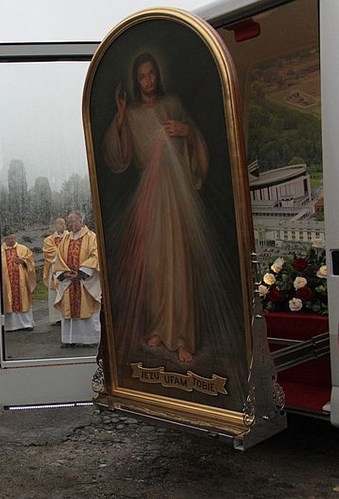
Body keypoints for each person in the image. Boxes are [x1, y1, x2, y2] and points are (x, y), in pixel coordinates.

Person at [102, 52, 210, 363]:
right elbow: (119, 159)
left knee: (179, 262)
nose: (148, 81)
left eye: (152, 74)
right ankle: (159, 328)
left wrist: (186, 131)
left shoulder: (172, 104)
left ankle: (182, 337)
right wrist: (121, 115)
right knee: (154, 264)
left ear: (158, 75)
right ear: (136, 82)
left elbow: (196, 143)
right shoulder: (133, 114)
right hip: (147, 196)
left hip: (176, 195)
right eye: (142, 77)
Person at [53, 212, 102, 347]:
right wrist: (65, 273)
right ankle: (70, 339)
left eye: (73, 221)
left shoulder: (91, 237)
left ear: (81, 221)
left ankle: (90, 339)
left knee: (87, 308)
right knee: (68, 309)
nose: (70, 224)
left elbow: (95, 256)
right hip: (69, 282)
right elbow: (59, 258)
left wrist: (81, 273)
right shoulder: (66, 238)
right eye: (69, 221)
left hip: (84, 281)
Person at [1, 231, 37, 332]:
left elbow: (30, 262)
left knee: (23, 299)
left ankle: (26, 323)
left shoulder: (23, 248)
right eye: (9, 239)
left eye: (13, 238)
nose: (12, 241)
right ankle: (11, 325)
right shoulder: (0, 250)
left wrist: (23, 261)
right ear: (5, 239)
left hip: (21, 280)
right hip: (7, 281)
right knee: (9, 300)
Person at [42, 217, 67, 324]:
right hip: (55, 270)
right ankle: (57, 317)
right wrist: (64, 254)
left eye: (64, 223)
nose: (63, 226)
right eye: (60, 224)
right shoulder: (49, 240)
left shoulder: (71, 237)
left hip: (68, 268)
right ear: (55, 226)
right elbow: (49, 252)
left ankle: (67, 314)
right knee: (55, 294)